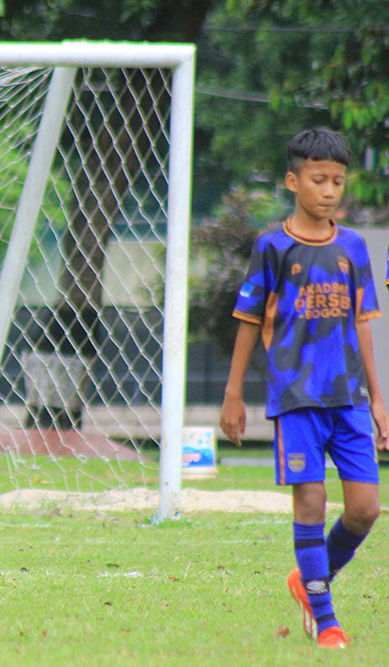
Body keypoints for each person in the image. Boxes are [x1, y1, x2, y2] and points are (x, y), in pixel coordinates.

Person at [220, 127, 389, 649]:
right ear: (294, 182)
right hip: (295, 400)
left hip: (351, 401)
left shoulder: (354, 246)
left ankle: (307, 580)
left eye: (338, 181)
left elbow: (363, 323)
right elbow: (249, 319)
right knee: (311, 503)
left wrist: (379, 398)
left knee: (364, 509)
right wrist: (232, 395)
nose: (330, 190)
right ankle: (326, 617)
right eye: (319, 180)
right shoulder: (271, 247)